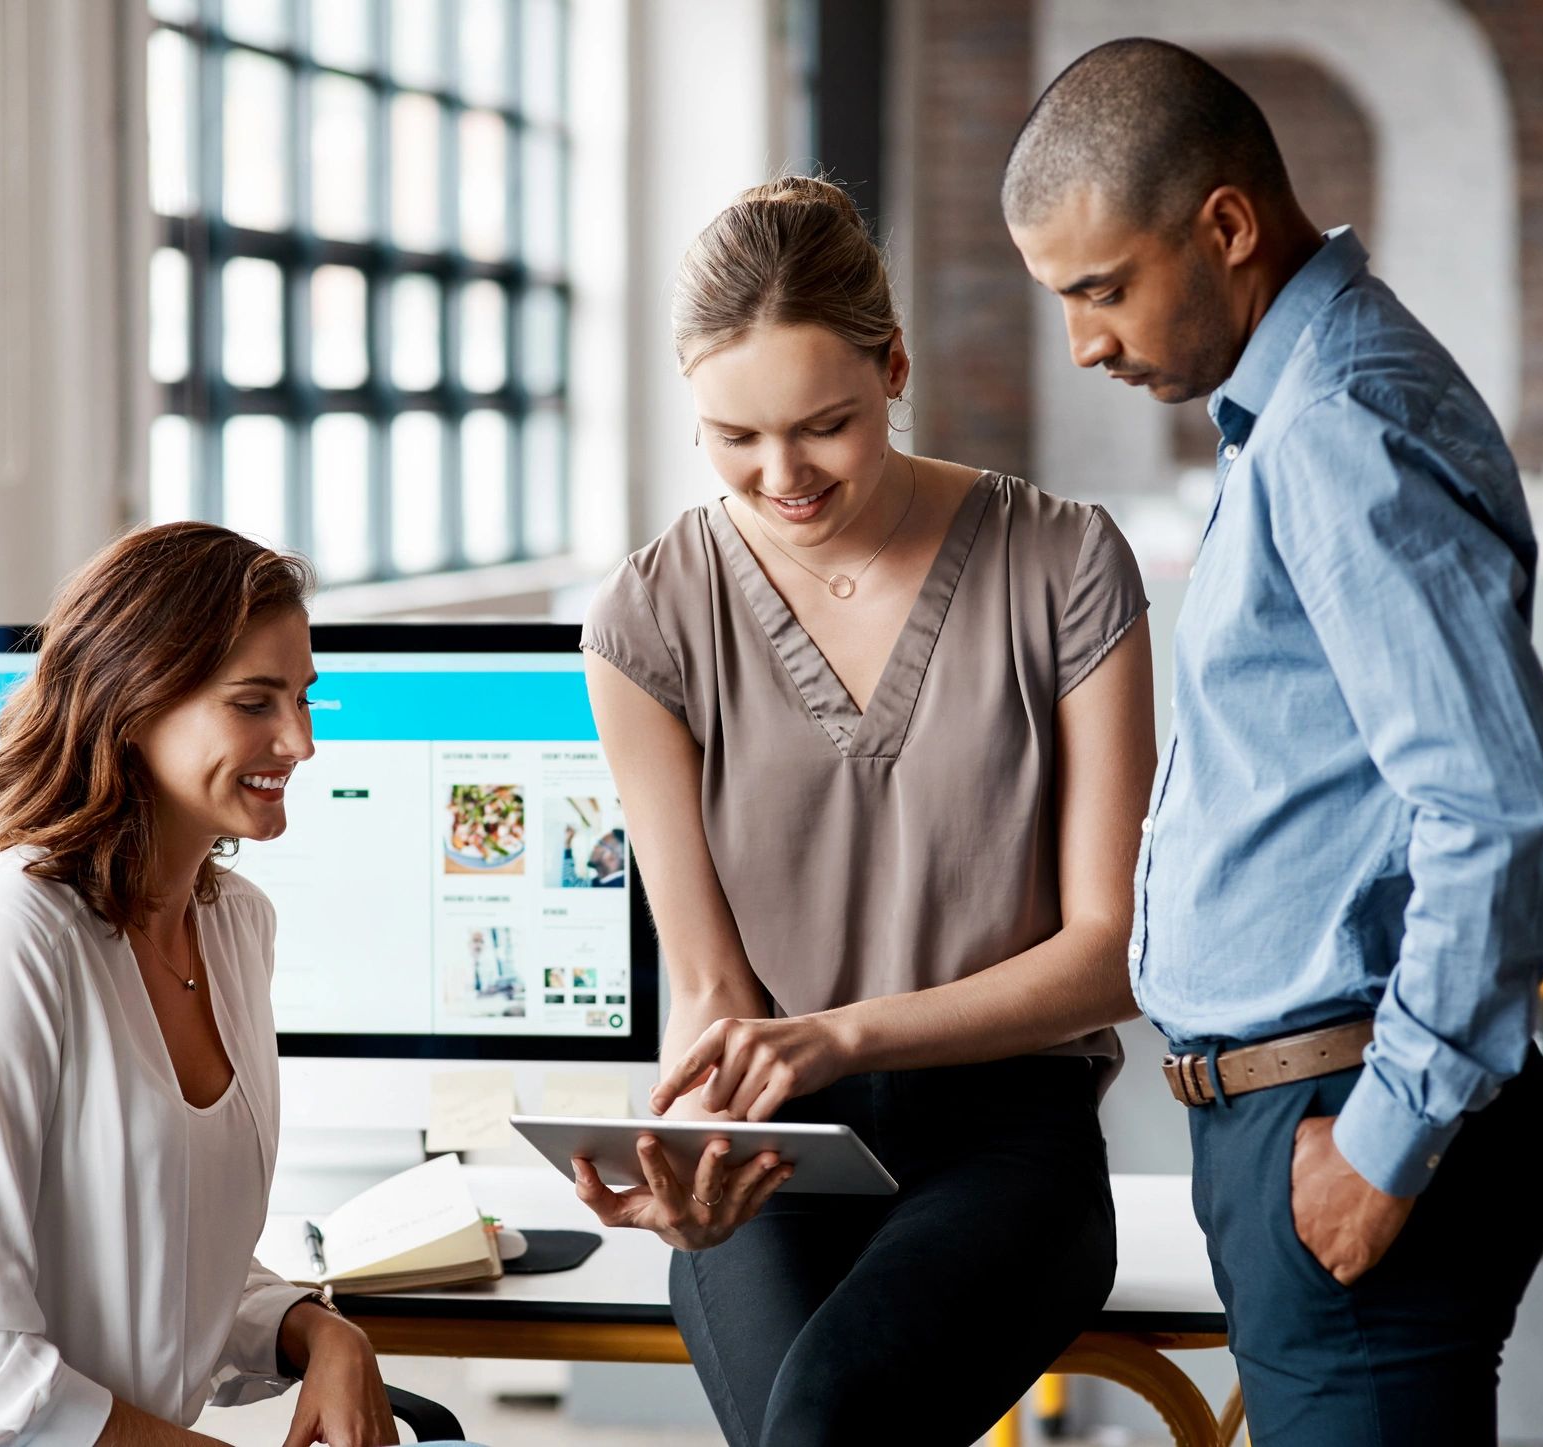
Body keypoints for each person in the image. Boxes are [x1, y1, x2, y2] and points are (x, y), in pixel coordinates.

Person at [1004, 39, 1543, 1445]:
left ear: (1225, 225)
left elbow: (1501, 807)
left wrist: (1381, 1146)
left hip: (1343, 1107)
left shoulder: (1337, 421)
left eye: (1102, 287)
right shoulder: (1298, 407)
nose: (1087, 341)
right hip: (1300, 1105)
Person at [572, 175, 1156, 1446]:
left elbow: (1109, 952)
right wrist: (686, 1153)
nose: (781, 475)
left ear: (892, 368)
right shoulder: (644, 619)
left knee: (827, 1419)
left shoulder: (1061, 563)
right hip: (775, 1146)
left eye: (823, 425)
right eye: (733, 437)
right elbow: (713, 985)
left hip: (1011, 1138)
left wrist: (839, 1035)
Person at [0, 523, 466, 1447]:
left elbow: (174, 1265)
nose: (300, 742)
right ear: (135, 702)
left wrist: (321, 1331)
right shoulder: (2, 937)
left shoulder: (234, 928)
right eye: (254, 702)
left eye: (305, 698)